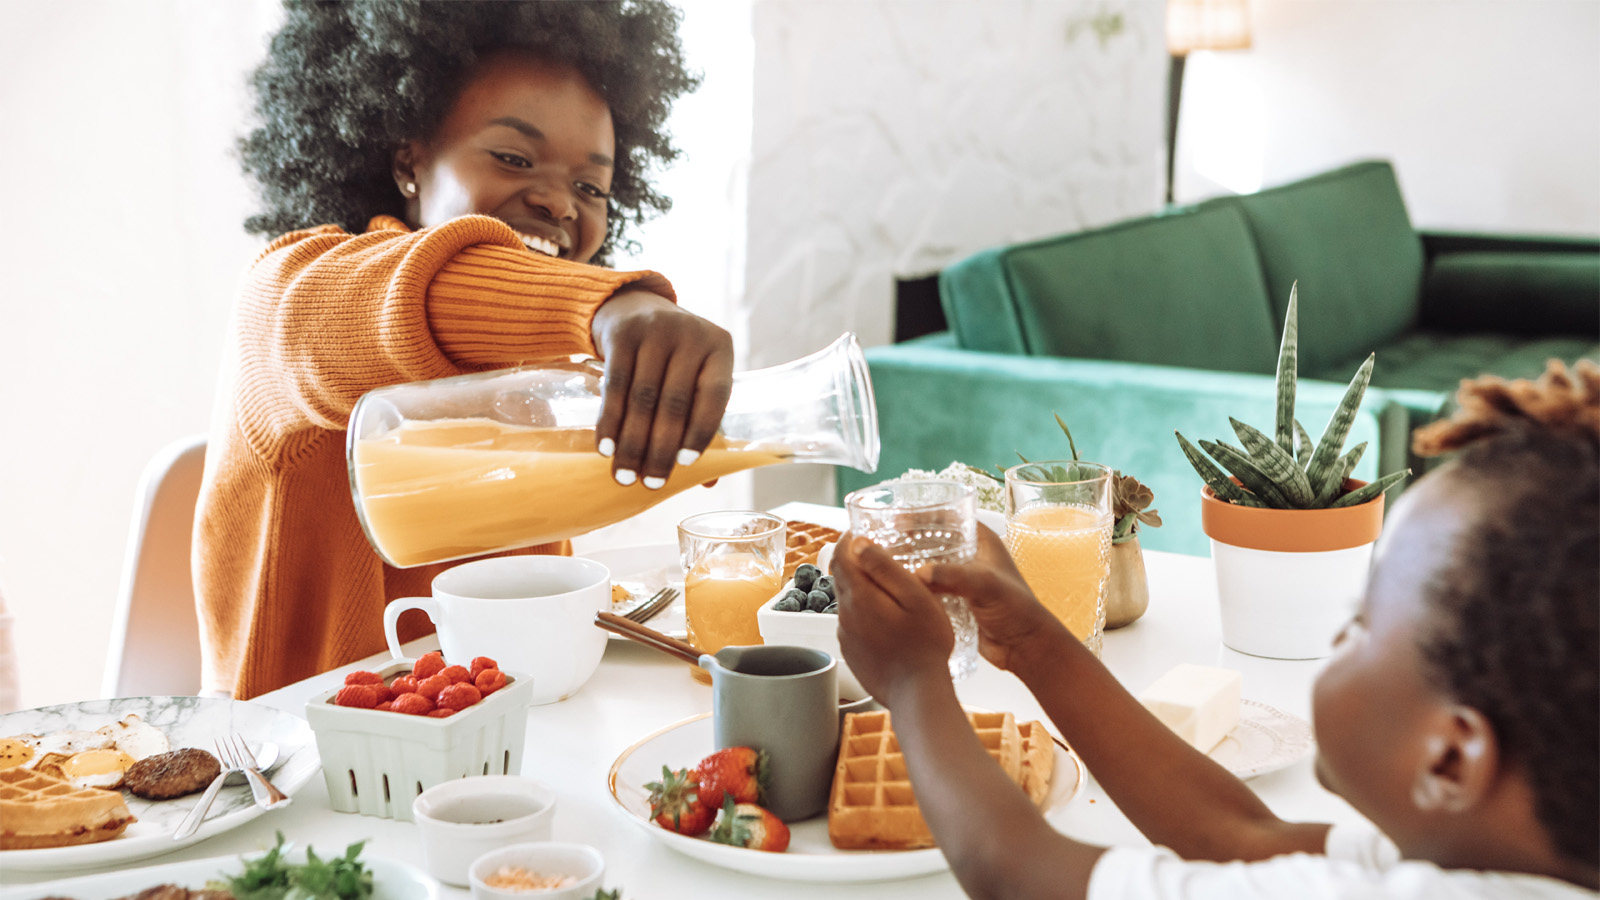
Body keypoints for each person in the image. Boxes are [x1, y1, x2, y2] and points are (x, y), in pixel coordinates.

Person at [833, 359, 1599, 899]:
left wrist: (911, 682)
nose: (1339, 641)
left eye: (1362, 624)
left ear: (1453, 759)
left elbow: (1016, 875)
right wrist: (1034, 642)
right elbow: (1240, 833)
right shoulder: (1503, 861)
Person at [198, 0, 730, 699]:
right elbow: (408, 297)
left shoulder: (545, 367)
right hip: (295, 773)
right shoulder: (290, 295)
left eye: (590, 186)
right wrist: (605, 302)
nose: (560, 204)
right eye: (513, 157)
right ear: (409, 161)